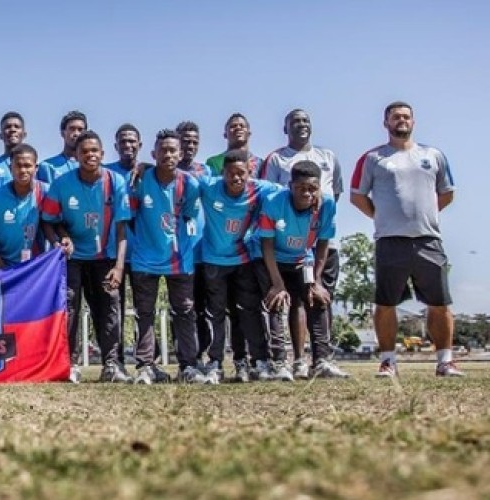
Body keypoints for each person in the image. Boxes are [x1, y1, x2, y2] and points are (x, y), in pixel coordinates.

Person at [350, 101, 462, 378]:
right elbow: (357, 196)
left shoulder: (433, 155)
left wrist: (423, 217)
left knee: (440, 302)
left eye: (406, 117)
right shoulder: (373, 158)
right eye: (395, 117)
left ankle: (445, 361)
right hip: (390, 241)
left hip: (428, 240)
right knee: (386, 303)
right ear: (385, 123)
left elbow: (446, 193)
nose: (401, 120)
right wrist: (382, 217)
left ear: (413, 121)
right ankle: (388, 361)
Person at [260, 109, 345, 378]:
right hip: (274, 256)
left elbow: (322, 243)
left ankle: (320, 360)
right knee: (278, 300)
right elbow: (267, 245)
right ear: (290, 186)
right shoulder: (275, 201)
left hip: (303, 257)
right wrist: (276, 282)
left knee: (316, 297)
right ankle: (281, 362)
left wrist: (316, 280)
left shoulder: (326, 203)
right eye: (301, 189)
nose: (307, 193)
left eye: (312, 189)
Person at [42, 131, 130, 383]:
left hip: (106, 257)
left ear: (102, 154)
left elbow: (122, 229)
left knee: (109, 306)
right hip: (73, 259)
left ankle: (111, 364)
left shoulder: (115, 182)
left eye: (94, 151)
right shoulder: (62, 183)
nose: (90, 155)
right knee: (69, 307)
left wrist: (119, 267)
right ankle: (70, 364)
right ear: (76, 155)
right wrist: (61, 238)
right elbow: (48, 221)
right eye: (84, 151)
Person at [128, 130, 206, 384]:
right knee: (144, 313)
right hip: (144, 259)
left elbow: (190, 218)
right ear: (154, 153)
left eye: (174, 150)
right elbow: (129, 216)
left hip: (179, 259)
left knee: (184, 312)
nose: (169, 155)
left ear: (181, 154)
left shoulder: (190, 184)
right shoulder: (140, 180)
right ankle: (145, 367)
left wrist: (186, 247)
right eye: (163, 150)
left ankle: (188, 366)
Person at [197, 150, 278, 383]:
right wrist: (145, 167)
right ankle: (215, 363)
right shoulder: (209, 186)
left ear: (249, 173)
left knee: (249, 311)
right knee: (216, 313)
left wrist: (320, 197)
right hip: (213, 260)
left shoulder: (260, 189)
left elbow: (288, 191)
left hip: (243, 260)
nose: (236, 178)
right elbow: (180, 175)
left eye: (241, 173)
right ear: (222, 173)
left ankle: (258, 361)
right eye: (230, 173)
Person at [174, 120, 222, 375]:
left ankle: (204, 356)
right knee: (184, 309)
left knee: (205, 309)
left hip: (205, 251)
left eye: (194, 141)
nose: (189, 145)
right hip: (180, 254)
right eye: (185, 140)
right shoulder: (166, 173)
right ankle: (186, 359)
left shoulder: (206, 173)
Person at [102, 123, 142, 369]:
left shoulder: (148, 172)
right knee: (113, 309)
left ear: (140, 145)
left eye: (132, 141)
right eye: (122, 141)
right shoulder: (106, 174)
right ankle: (116, 361)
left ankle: (146, 360)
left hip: (141, 254)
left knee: (143, 310)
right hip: (112, 253)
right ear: (115, 146)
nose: (127, 145)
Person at [0, 143, 47, 269]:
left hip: (36, 267)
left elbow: (55, 223)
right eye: (18, 166)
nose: (23, 170)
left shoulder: (45, 192)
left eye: (27, 166)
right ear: (10, 168)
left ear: (36, 168)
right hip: (5, 268)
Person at [0, 111, 28, 193]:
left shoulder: (32, 167)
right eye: (8, 127)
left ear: (24, 134)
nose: (12, 130)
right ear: (0, 135)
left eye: (17, 127)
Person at [36, 110, 87, 184]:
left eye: (80, 130)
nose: (76, 133)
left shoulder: (92, 167)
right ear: (63, 133)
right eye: (72, 129)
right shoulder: (47, 167)